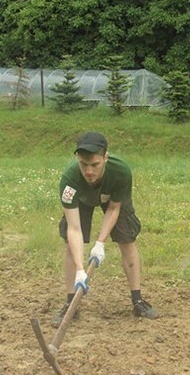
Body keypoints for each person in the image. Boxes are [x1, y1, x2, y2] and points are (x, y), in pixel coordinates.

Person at [52, 131, 157, 327]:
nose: (89, 171)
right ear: (77, 160)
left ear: (105, 158)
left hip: (112, 199)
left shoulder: (121, 171)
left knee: (127, 240)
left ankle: (137, 300)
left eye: (95, 165)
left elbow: (114, 208)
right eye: (84, 164)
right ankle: (70, 303)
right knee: (70, 245)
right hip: (81, 200)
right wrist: (80, 270)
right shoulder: (70, 180)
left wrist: (100, 243)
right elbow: (74, 229)